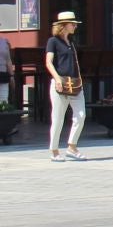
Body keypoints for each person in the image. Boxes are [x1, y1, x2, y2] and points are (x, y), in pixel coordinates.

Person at [45, 11, 86, 162]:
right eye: (72, 24)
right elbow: (48, 62)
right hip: (60, 84)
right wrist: (57, 79)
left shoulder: (72, 42)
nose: (75, 26)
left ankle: (72, 146)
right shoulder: (53, 41)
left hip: (75, 83)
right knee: (58, 118)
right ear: (64, 25)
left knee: (81, 115)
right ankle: (54, 150)